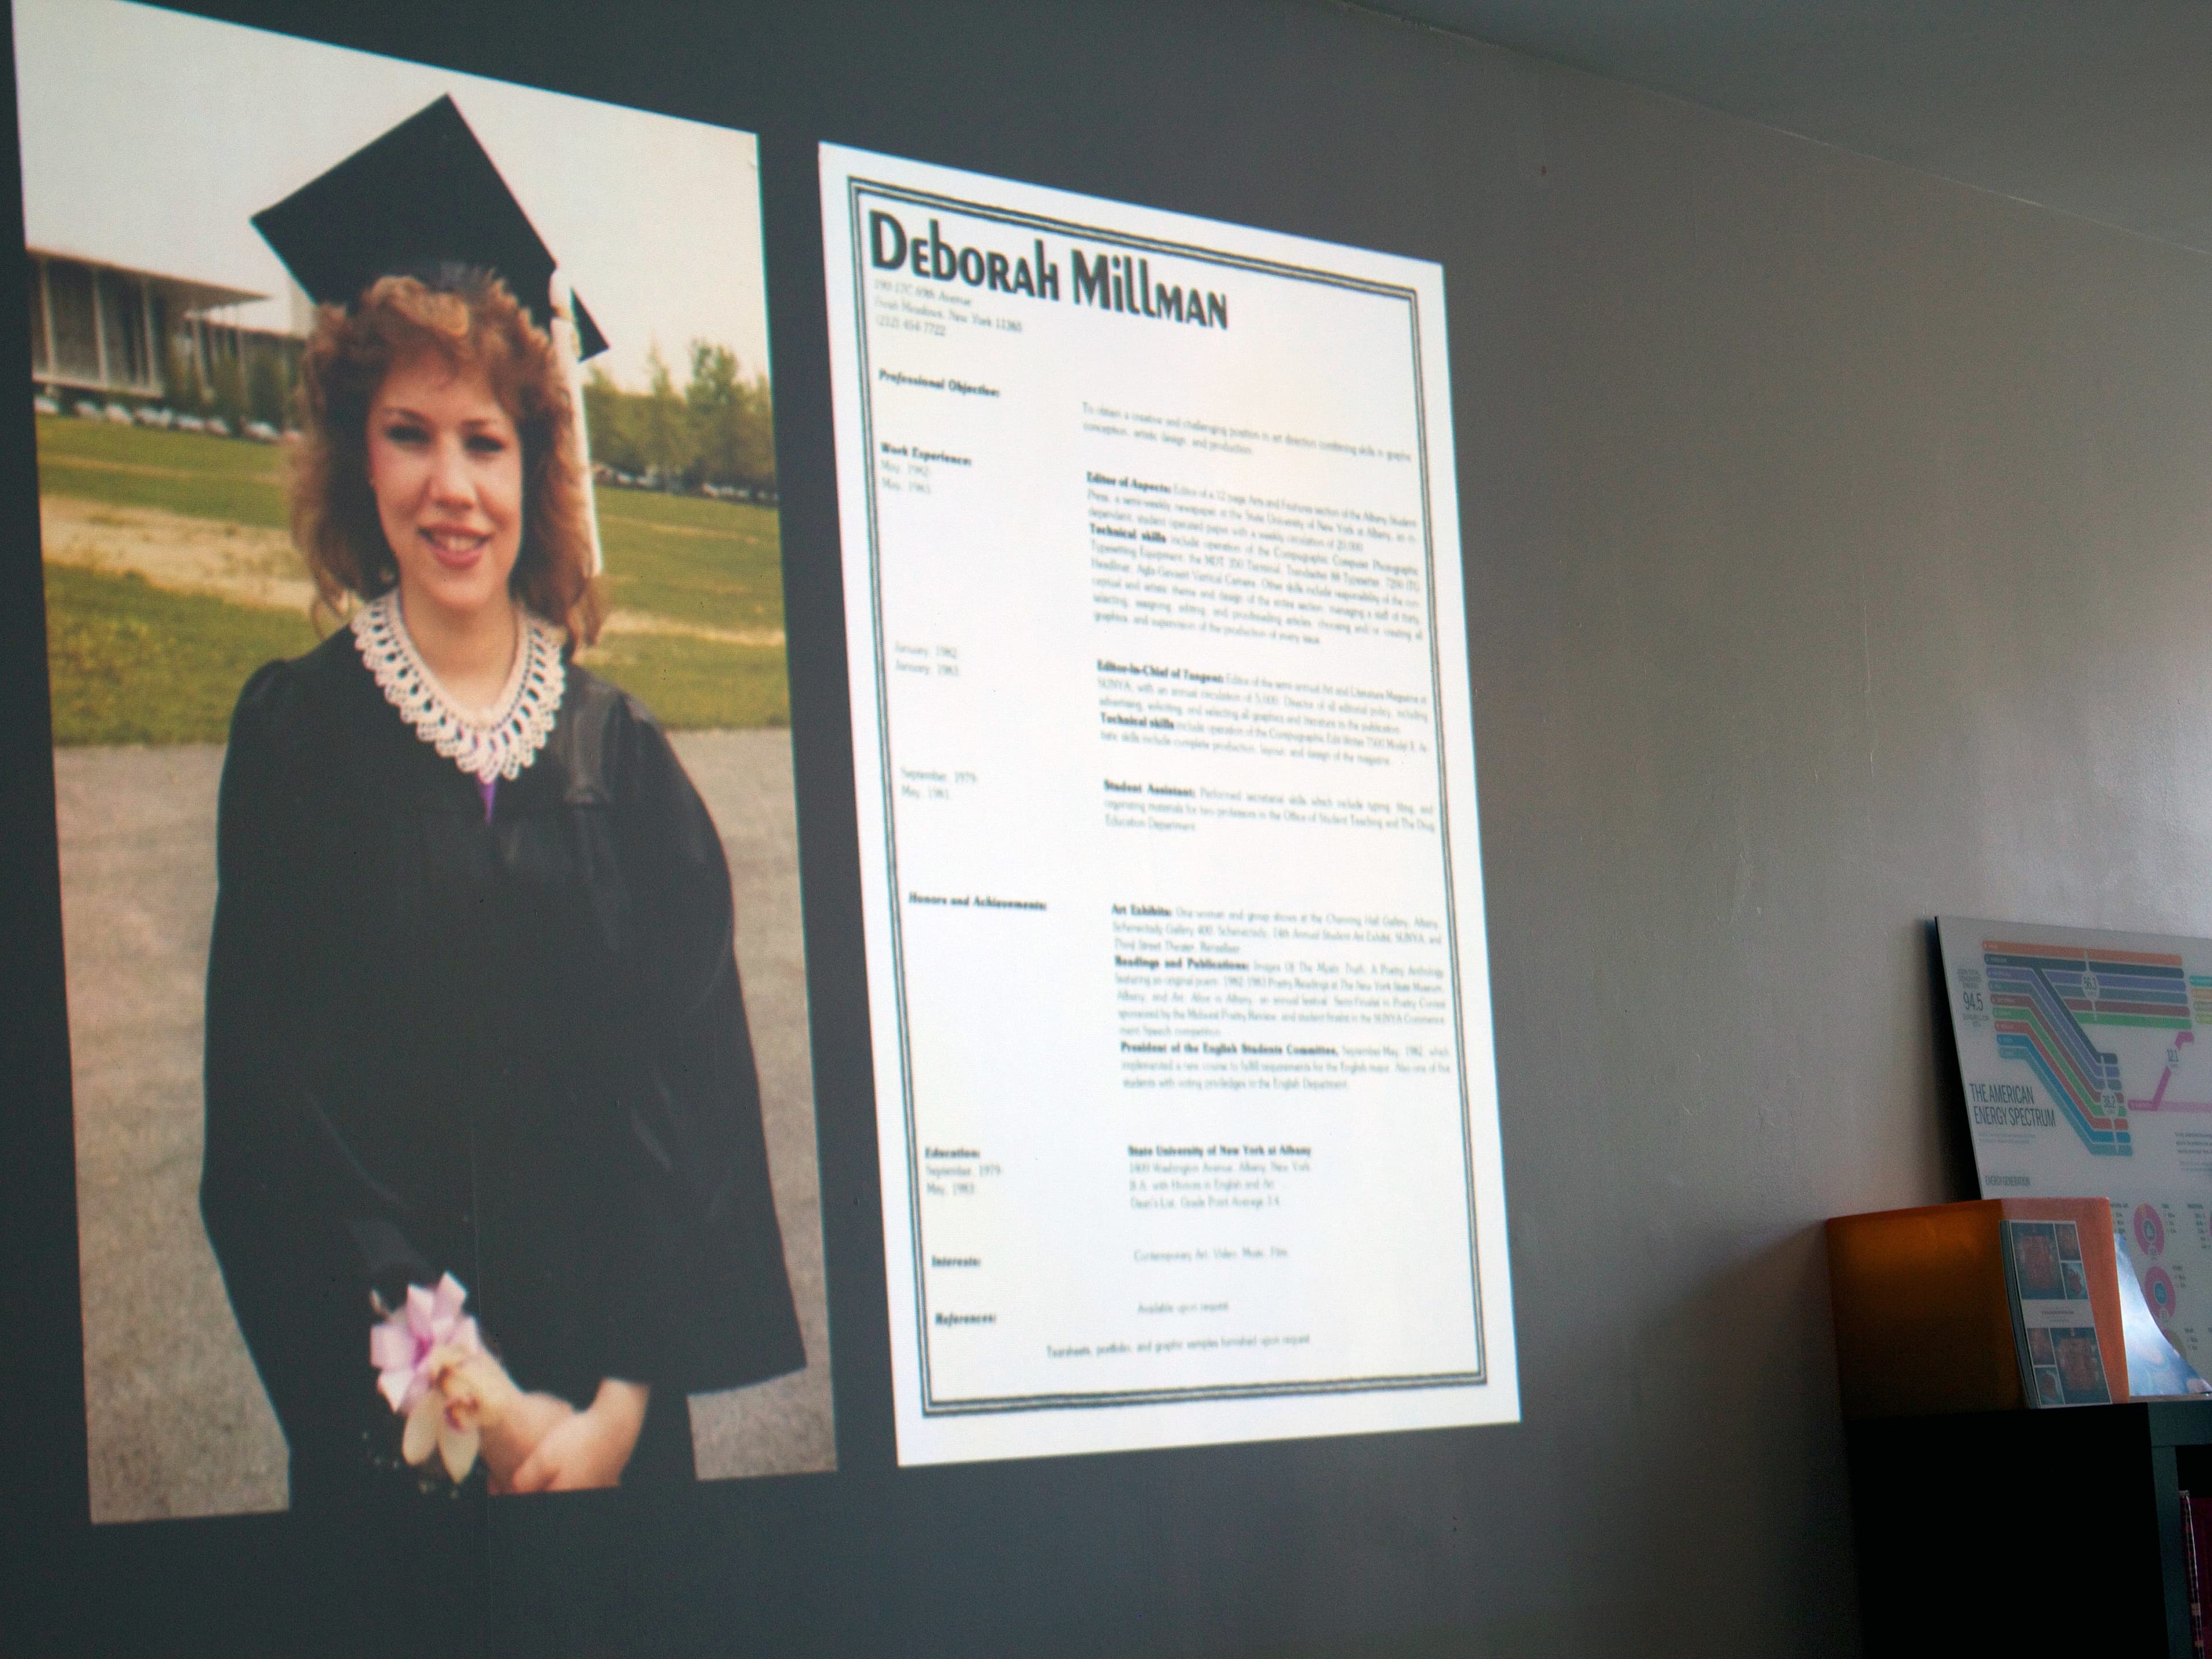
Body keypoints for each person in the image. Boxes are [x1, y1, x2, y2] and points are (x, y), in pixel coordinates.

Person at [200, 137, 803, 1502]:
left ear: (538, 469)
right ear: (359, 460)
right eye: (409, 434)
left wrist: (608, 1413)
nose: (451, 487)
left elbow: (687, 1104)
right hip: (402, 1437)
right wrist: (487, 1406)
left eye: (487, 440)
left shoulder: (622, 759)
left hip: (616, 1431)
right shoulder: (300, 739)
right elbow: (274, 1132)